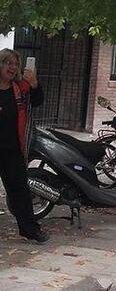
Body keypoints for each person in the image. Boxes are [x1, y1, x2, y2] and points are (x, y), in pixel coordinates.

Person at [0, 48, 47, 243]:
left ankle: (30, 230)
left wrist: (35, 83)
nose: (12, 67)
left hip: (12, 150)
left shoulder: (20, 88)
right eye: (8, 63)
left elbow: (37, 101)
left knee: (20, 191)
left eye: (15, 64)